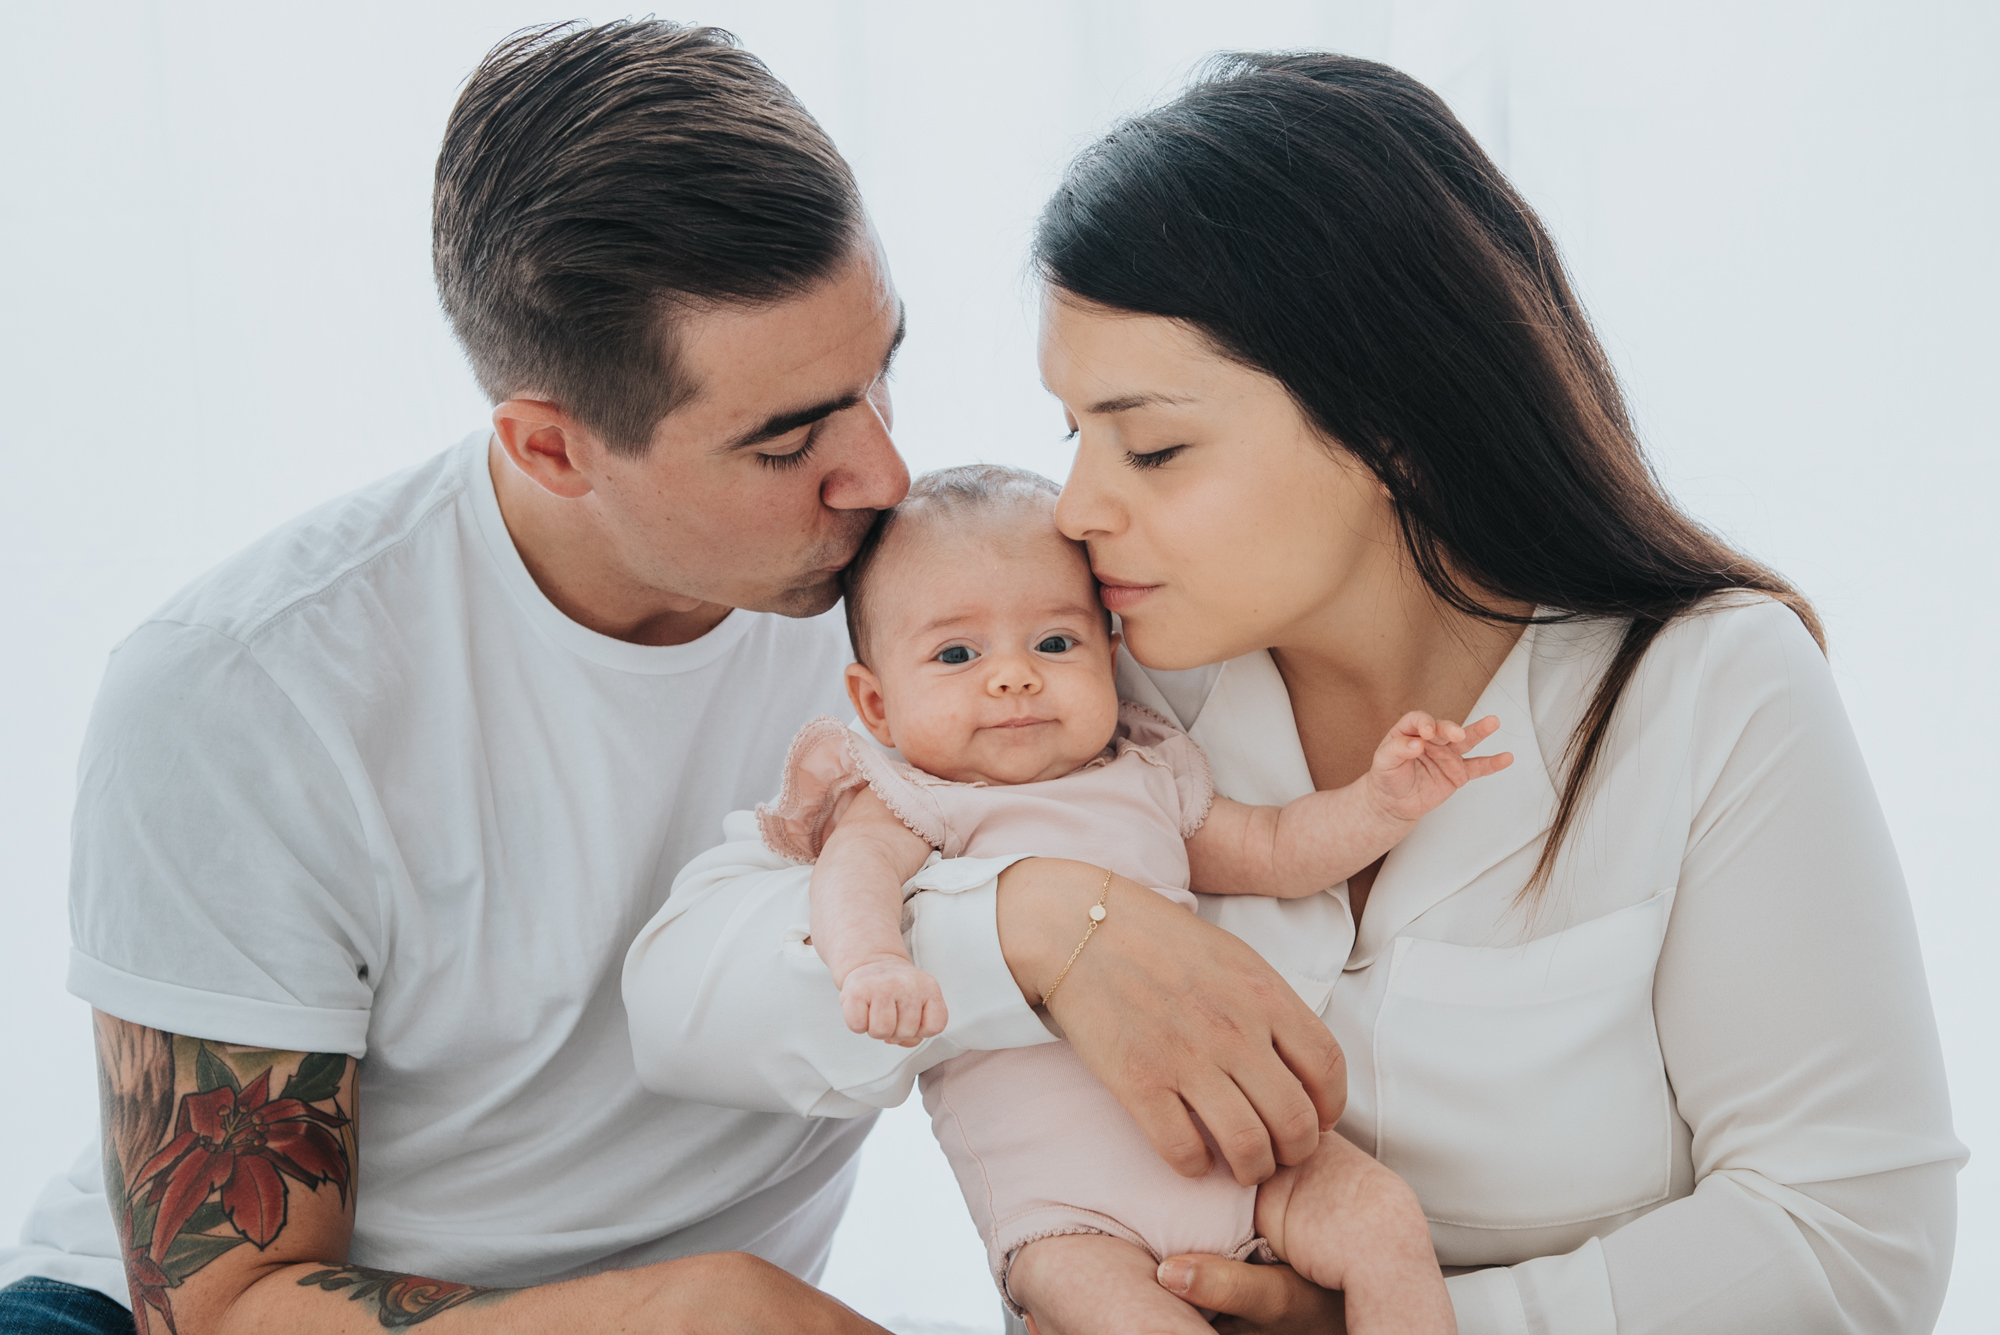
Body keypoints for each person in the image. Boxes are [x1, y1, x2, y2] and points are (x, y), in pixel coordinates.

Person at [623, 52, 1965, 1334]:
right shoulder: (1087, 673)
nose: (1082, 508)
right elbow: (687, 991)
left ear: (1386, 426)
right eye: (1073, 434)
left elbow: (1852, 1241)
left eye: (1152, 445)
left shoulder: (1708, 690)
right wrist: (1032, 927)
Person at [0, 19, 927, 1335]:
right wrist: (682, 1306)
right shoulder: (246, 693)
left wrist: (1078, 929)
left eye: (884, 367)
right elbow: (224, 1302)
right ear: (551, 448)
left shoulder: (951, 605)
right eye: (787, 444)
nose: (884, 474)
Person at [751, 462, 1504, 1332]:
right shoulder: (916, 801)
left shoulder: (1146, 773)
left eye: (1056, 643)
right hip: (1071, 1217)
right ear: (875, 704)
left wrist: (1380, 803)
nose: (1013, 677)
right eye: (958, 654)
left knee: (1382, 1217)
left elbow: (1275, 849)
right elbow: (852, 877)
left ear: (1110, 653)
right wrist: (874, 960)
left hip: (1252, 1158)